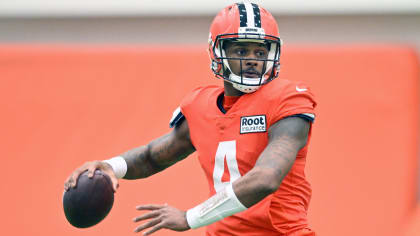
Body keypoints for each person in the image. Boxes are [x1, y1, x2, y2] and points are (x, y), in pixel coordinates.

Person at [64, 2, 317, 236]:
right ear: (217, 52)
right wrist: (111, 167)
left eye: (260, 52)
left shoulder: (286, 99)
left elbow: (266, 178)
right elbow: (153, 156)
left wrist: (190, 217)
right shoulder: (201, 106)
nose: (252, 59)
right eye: (241, 49)